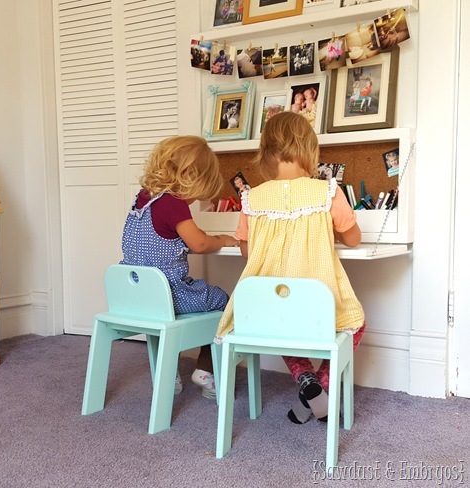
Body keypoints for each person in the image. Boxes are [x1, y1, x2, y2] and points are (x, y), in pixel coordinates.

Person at [215, 112, 366, 424]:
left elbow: (248, 251)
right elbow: (353, 238)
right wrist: (330, 230)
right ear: (309, 149)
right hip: (317, 308)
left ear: (266, 152)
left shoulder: (250, 198)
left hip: (264, 312)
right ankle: (321, 385)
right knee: (356, 322)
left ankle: (307, 383)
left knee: (281, 324)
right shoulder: (326, 191)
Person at [121, 135, 240, 399]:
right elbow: (198, 243)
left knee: (163, 316)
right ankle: (206, 371)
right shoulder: (173, 203)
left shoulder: (143, 199)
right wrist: (221, 239)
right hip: (169, 294)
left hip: (137, 295)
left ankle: (168, 373)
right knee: (222, 300)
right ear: (191, 177)